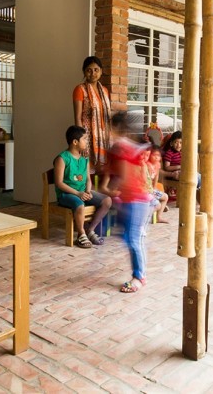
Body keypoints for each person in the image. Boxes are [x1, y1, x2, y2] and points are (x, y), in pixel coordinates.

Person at [106, 112, 152, 294]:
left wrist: (111, 190)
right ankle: (139, 273)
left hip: (136, 198)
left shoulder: (120, 149)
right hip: (134, 198)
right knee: (131, 237)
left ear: (115, 128)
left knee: (134, 239)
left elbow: (123, 176)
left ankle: (139, 276)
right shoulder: (131, 147)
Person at [53, 125, 113, 248]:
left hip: (82, 192)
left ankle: (90, 230)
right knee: (79, 205)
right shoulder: (62, 158)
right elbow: (59, 183)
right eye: (85, 139)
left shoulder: (84, 160)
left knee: (107, 201)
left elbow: (88, 180)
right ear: (75, 142)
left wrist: (87, 191)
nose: (87, 141)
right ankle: (80, 235)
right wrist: (78, 193)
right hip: (66, 194)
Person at [72, 56, 112, 171]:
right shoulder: (79, 89)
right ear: (84, 72)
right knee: (88, 169)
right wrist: (81, 140)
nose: (93, 73)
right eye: (89, 70)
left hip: (103, 136)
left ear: (101, 71)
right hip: (87, 135)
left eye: (96, 70)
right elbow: (78, 118)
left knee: (102, 171)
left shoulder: (104, 91)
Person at [145, 145, 169, 223]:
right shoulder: (147, 165)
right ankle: (145, 216)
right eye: (154, 155)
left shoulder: (157, 164)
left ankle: (159, 217)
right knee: (157, 203)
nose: (156, 157)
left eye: (158, 155)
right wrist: (151, 190)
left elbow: (156, 176)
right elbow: (146, 181)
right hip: (146, 190)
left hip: (151, 189)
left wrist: (154, 187)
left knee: (165, 197)